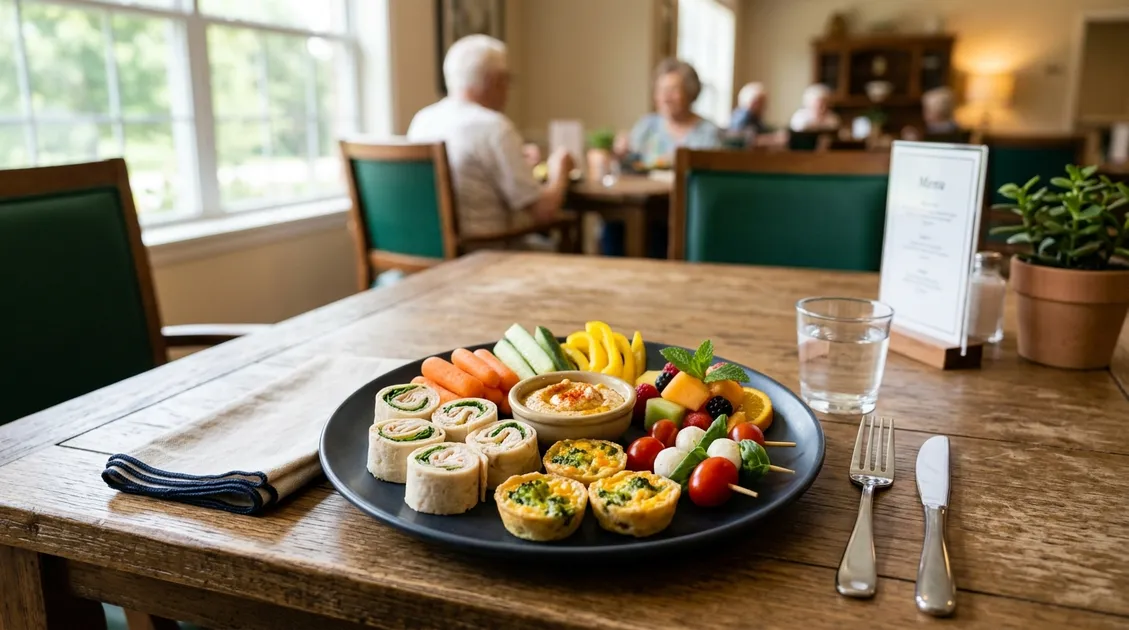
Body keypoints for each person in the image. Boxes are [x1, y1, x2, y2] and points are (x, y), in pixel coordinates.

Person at [407, 35, 573, 245]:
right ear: (494, 81)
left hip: (430, 253)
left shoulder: (423, 120)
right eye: (506, 80)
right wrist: (560, 171)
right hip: (485, 254)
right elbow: (543, 212)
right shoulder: (495, 127)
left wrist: (518, 160)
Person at [619, 58, 721, 170]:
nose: (665, 98)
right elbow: (628, 160)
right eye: (660, 90)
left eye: (673, 90)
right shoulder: (647, 125)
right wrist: (620, 151)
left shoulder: (709, 132)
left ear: (690, 92)